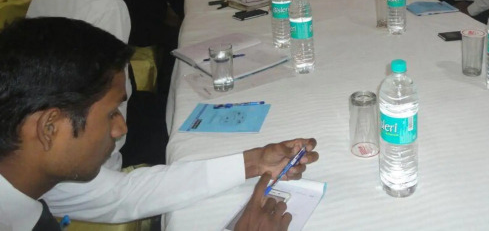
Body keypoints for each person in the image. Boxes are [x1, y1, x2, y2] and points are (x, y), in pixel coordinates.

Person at [0, 18, 319, 228]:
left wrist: (254, 161)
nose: (121, 129)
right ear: (49, 128)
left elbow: (120, 194)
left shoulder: (30, 178)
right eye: (111, 114)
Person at [27, 0, 134, 171]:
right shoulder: (108, 4)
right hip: (86, 134)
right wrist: (113, 144)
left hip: (39, 112)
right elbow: (108, 84)